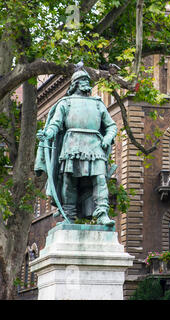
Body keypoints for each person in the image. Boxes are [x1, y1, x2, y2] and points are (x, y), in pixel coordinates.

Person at [35, 69, 117, 226]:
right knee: (69, 181)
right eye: (82, 80)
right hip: (72, 144)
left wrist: (107, 138)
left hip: (95, 145)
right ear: (74, 84)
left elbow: (111, 126)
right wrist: (48, 133)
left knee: (100, 179)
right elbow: (56, 124)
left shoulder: (98, 103)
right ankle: (69, 215)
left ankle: (102, 213)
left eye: (87, 80)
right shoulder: (66, 103)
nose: (86, 82)